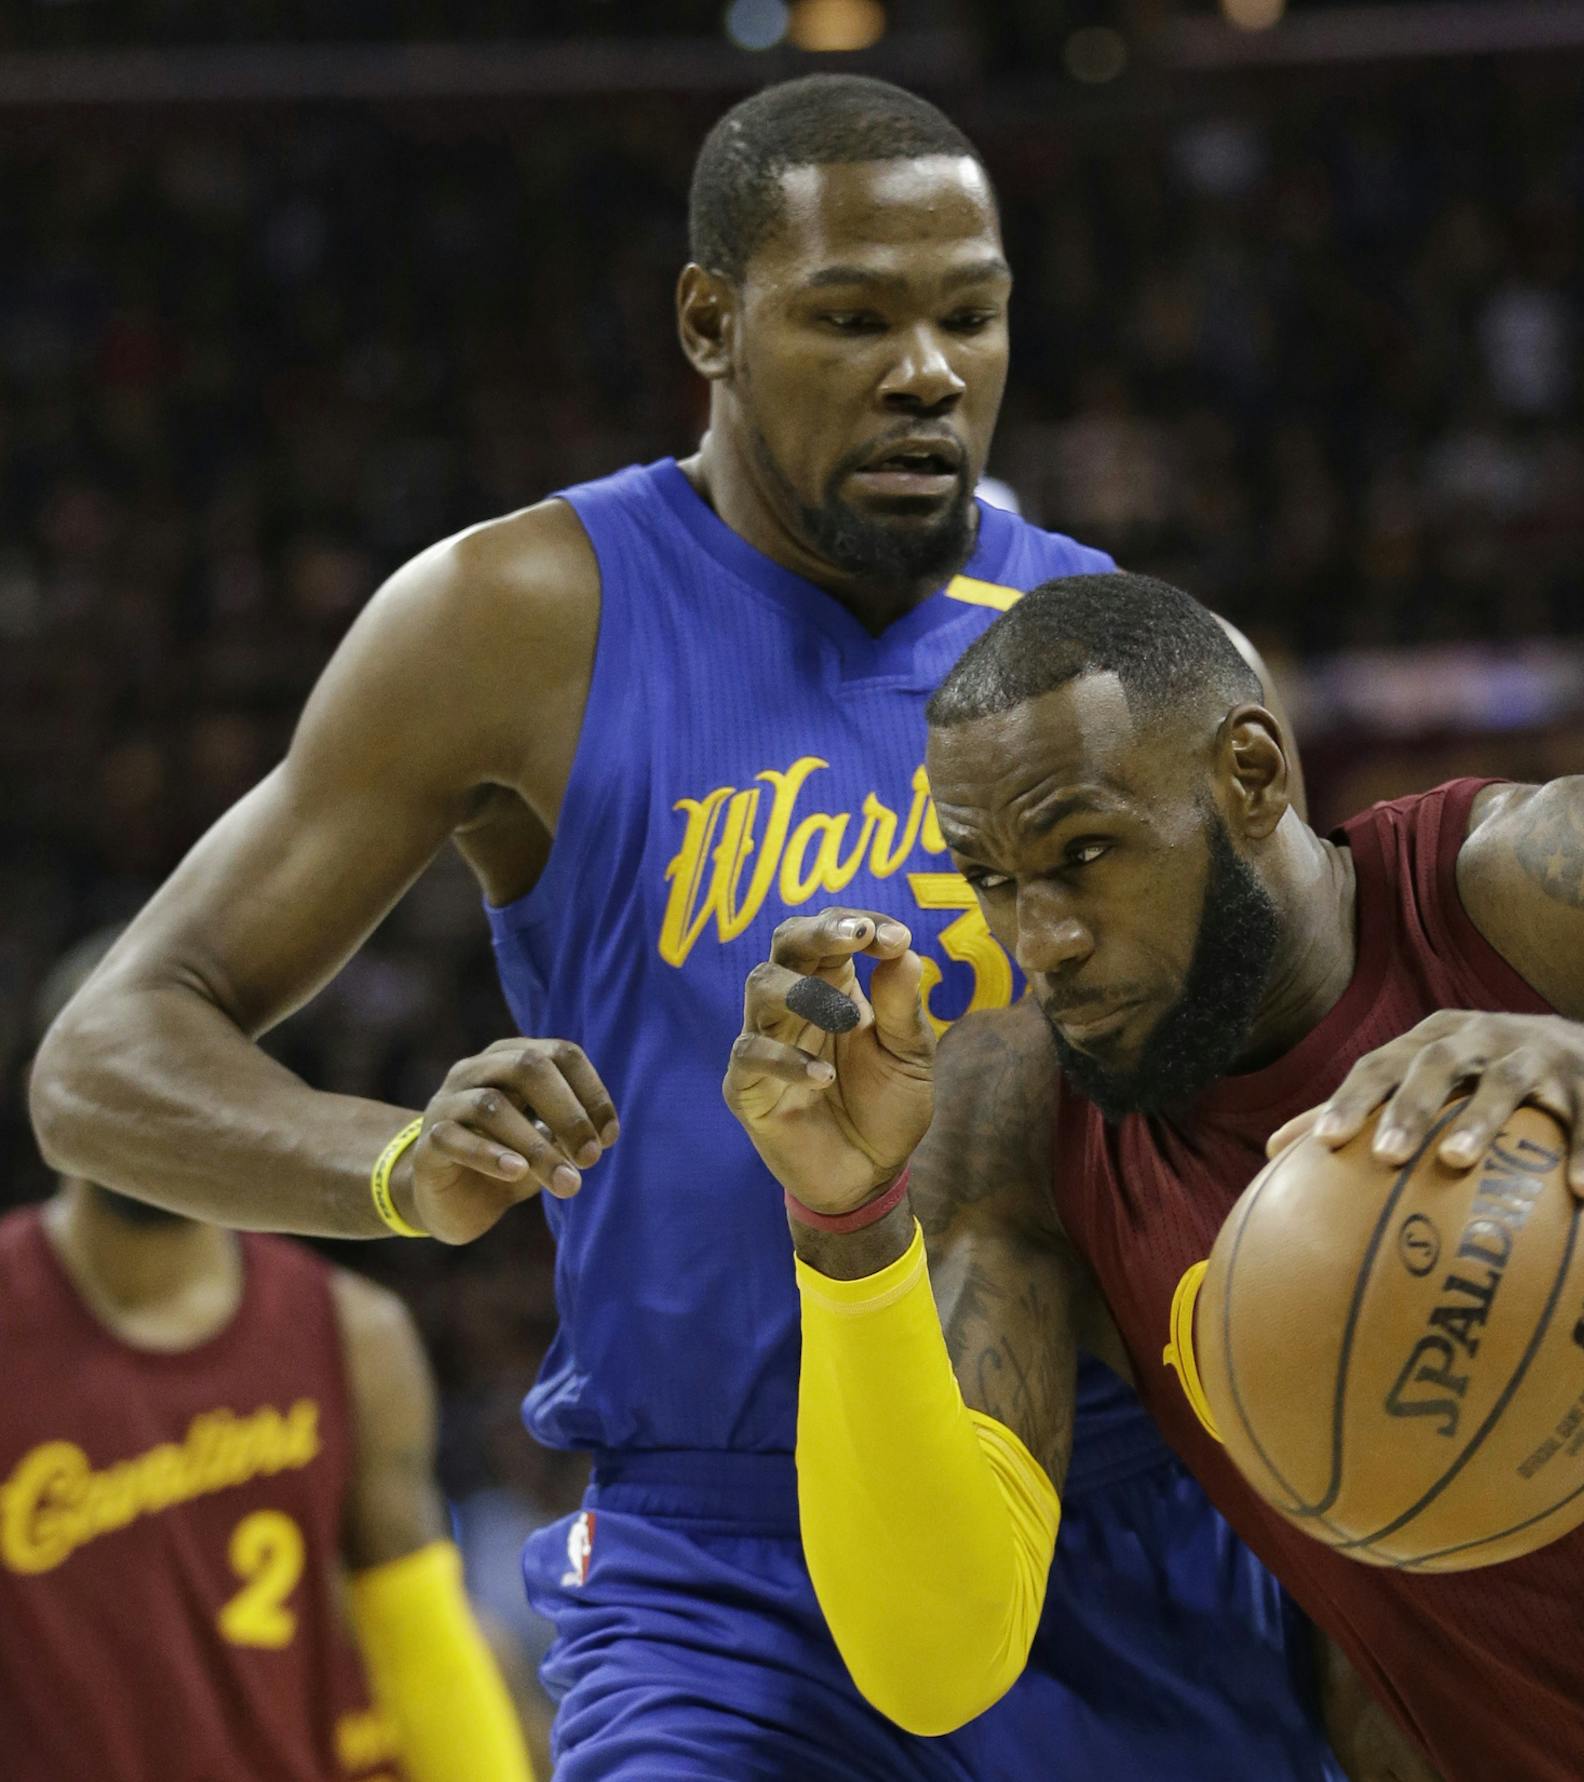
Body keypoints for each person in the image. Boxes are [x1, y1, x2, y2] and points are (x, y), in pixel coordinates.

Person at [30, 76, 1378, 1781]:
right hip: (717, 1575)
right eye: (853, 316)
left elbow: (1301, 1111)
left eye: (972, 315)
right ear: (709, 321)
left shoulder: (1140, 665)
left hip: (1114, 1525)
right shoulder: (516, 618)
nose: (927, 370)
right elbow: (106, 1054)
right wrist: (393, 1168)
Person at [722, 571, 1584, 1782]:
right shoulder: (1023, 1122)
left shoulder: (1541, 885)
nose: (1040, 936)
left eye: (1085, 853)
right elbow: (929, 1658)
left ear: (1253, 773)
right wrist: (844, 1224)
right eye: (990, 878)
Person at [3, 937, 534, 1782]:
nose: (148, 1105)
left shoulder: (353, 1333)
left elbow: (424, 1656)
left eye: (182, 1075)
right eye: (117, 1077)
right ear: (53, 1088)